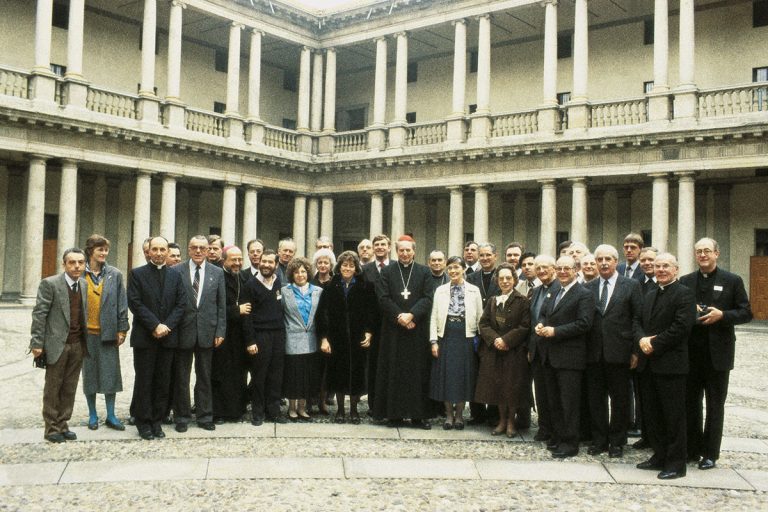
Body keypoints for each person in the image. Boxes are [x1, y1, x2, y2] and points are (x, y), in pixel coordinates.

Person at [680, 238, 752, 470]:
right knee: (691, 404)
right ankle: (692, 449)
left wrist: (723, 316)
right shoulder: (686, 281)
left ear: (716, 254)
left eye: (707, 251)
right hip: (691, 353)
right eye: (699, 251)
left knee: (714, 405)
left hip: (718, 354)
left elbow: (746, 312)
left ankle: (710, 453)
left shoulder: (732, 280)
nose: (702, 255)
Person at [635, 252, 696, 480]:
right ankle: (659, 455)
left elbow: (681, 328)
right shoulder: (650, 294)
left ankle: (676, 463)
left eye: (665, 266)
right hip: (648, 364)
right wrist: (641, 338)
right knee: (652, 415)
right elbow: (637, 321)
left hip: (671, 365)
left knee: (673, 417)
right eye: (657, 266)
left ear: (676, 269)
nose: (660, 269)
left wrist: (653, 343)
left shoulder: (685, 294)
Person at [584, 244, 644, 458]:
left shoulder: (631, 285)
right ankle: (599, 440)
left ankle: (617, 441)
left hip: (620, 352)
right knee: (596, 400)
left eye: (608, 259)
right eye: (599, 259)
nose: (603, 263)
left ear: (615, 261)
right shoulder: (589, 288)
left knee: (620, 400)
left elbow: (638, 318)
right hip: (593, 354)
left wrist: (636, 351)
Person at [533, 255, 595, 458]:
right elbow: (543, 313)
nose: (562, 272)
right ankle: (559, 436)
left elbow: (584, 323)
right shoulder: (555, 292)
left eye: (566, 269)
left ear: (576, 269)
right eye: (559, 269)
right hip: (550, 356)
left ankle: (570, 442)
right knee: (554, 401)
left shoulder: (583, 294)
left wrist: (555, 331)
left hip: (570, 358)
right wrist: (541, 324)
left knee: (569, 403)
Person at [127, 236, 186, 440]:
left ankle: (157, 421)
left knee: (163, 381)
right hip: (145, 337)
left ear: (167, 252)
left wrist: (167, 326)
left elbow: (181, 304)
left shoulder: (175, 275)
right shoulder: (137, 274)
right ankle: (143, 422)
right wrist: (155, 325)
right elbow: (135, 303)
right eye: (156, 249)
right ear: (148, 251)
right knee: (144, 381)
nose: (159, 253)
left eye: (163, 250)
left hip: (168, 338)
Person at [373, 235, 435, 429]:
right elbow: (382, 298)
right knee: (394, 371)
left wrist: (412, 316)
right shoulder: (388, 271)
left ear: (414, 251)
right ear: (396, 251)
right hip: (393, 330)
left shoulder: (424, 272)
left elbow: (427, 297)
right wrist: (400, 316)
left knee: (418, 372)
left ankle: (419, 416)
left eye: (408, 250)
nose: (405, 253)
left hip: (417, 330)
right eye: (401, 250)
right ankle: (394, 415)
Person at [29, 248, 88, 443]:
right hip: (57, 345)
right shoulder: (50, 284)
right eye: (72, 262)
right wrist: (37, 343)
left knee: (69, 388)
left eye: (80, 262)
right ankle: (51, 428)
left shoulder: (84, 285)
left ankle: (63, 424)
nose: (77, 266)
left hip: (77, 344)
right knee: (53, 387)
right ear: (64, 264)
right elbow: (40, 314)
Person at [172, 235, 227, 432]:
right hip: (182, 332)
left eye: (202, 248)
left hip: (208, 332)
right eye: (194, 247)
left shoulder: (217, 273)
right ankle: (182, 416)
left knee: (204, 376)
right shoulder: (176, 271)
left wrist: (220, 330)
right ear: (188, 249)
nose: (198, 251)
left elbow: (221, 305)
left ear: (207, 250)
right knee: (181, 377)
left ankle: (205, 416)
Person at [317, 251, 375, 424]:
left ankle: (354, 410)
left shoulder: (366, 286)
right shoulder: (330, 286)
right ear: (339, 267)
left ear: (356, 268)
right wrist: (324, 338)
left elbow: (372, 312)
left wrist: (369, 332)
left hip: (358, 337)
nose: (347, 268)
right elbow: (322, 314)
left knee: (357, 374)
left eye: (351, 265)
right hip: (337, 338)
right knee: (338, 374)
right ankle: (341, 410)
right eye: (344, 265)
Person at [476, 263, 531, 437]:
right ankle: (501, 421)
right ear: (497, 281)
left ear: (514, 280)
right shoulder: (492, 300)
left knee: (512, 388)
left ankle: (511, 423)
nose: (505, 281)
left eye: (508, 278)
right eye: (501, 278)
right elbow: (483, 323)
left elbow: (525, 326)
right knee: (498, 386)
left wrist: (506, 340)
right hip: (495, 351)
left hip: (514, 351)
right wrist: (495, 340)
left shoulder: (523, 301)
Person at [428, 256, 484, 430]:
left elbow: (480, 317)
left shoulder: (474, 290)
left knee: (462, 376)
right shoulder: (441, 290)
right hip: (446, 335)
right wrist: (433, 341)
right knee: (446, 376)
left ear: (463, 269)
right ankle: (448, 415)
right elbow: (434, 316)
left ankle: (459, 415)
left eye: (456, 268)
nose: (453, 271)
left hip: (466, 336)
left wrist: (479, 339)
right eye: (450, 268)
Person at [81, 234, 129, 431]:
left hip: (108, 332)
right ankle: (92, 414)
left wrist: (122, 329)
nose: (103, 253)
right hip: (86, 333)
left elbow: (122, 303)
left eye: (106, 249)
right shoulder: (79, 273)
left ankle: (111, 414)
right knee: (90, 375)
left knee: (111, 375)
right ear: (91, 250)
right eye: (100, 249)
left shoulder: (115, 274)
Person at [245, 250, 287, 425]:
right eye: (264, 261)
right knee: (259, 375)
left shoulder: (280, 283)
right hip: (260, 335)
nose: (266, 265)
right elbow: (246, 316)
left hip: (278, 334)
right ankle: (258, 412)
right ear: (259, 262)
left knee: (276, 375)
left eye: (270, 262)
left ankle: (274, 411)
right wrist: (250, 341)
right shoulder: (250, 285)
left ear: (276, 265)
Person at [212, 246, 253, 423]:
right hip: (222, 334)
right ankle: (219, 412)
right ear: (224, 260)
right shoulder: (217, 277)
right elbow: (213, 307)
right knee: (221, 374)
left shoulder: (242, 277)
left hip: (239, 336)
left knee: (239, 373)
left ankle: (236, 410)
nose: (237, 263)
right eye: (233, 260)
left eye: (239, 259)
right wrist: (237, 310)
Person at [282, 257, 323, 421]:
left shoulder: (318, 291)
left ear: (308, 273)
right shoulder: (285, 291)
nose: (300, 275)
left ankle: (302, 407)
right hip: (292, 338)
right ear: (292, 274)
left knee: (307, 375)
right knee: (293, 375)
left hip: (311, 338)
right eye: (297, 272)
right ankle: (291, 407)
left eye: (303, 271)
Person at [528, 255, 559, 443]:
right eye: (538, 268)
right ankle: (544, 427)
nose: (541, 271)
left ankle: (556, 430)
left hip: (553, 349)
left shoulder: (558, 289)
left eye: (545, 268)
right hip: (537, 349)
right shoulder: (537, 290)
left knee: (553, 393)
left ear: (554, 268)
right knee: (540, 391)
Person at [361, 234, 391, 413]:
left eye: (383, 244)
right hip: (372, 325)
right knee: (373, 366)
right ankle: (374, 405)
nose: (380, 247)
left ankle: (389, 403)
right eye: (376, 245)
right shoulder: (365, 270)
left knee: (390, 364)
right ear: (373, 249)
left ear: (388, 247)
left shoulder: (396, 267)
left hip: (392, 323)